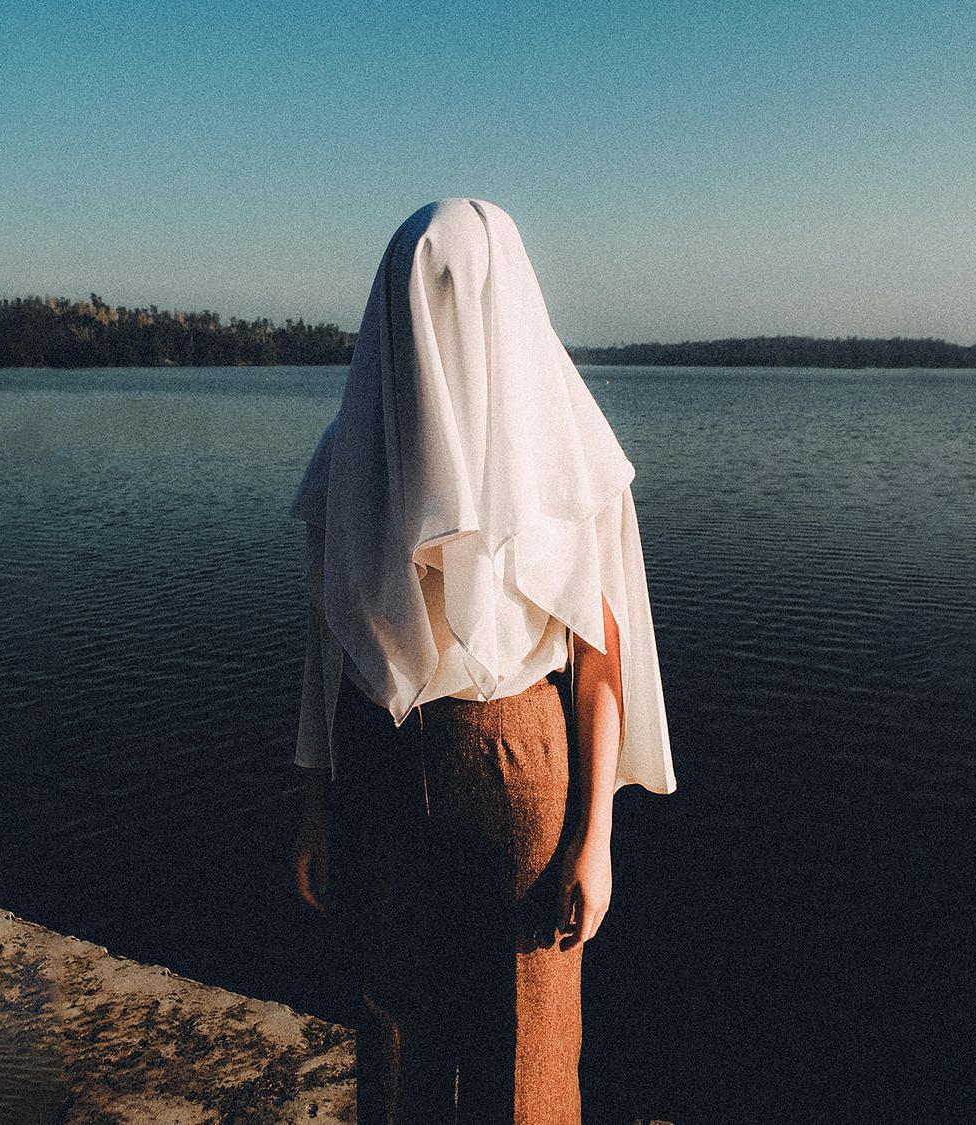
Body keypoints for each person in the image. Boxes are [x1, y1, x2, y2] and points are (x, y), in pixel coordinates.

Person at [289, 198, 677, 1125]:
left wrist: (597, 834)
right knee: (395, 1032)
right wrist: (313, 803)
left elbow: (597, 655)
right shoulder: (355, 450)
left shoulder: (563, 451)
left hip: (500, 763)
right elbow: (324, 642)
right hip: (395, 760)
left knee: (525, 1052)